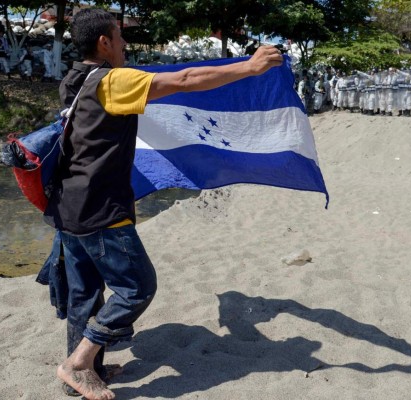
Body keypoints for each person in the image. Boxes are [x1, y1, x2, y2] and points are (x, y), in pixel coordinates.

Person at [43, 9, 282, 399]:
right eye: (119, 38)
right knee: (137, 287)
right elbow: (185, 80)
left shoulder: (74, 79)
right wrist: (250, 67)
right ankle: (79, 363)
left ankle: (86, 375)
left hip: (68, 204)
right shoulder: (113, 80)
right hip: (101, 208)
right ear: (104, 42)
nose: (124, 45)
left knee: (85, 293)